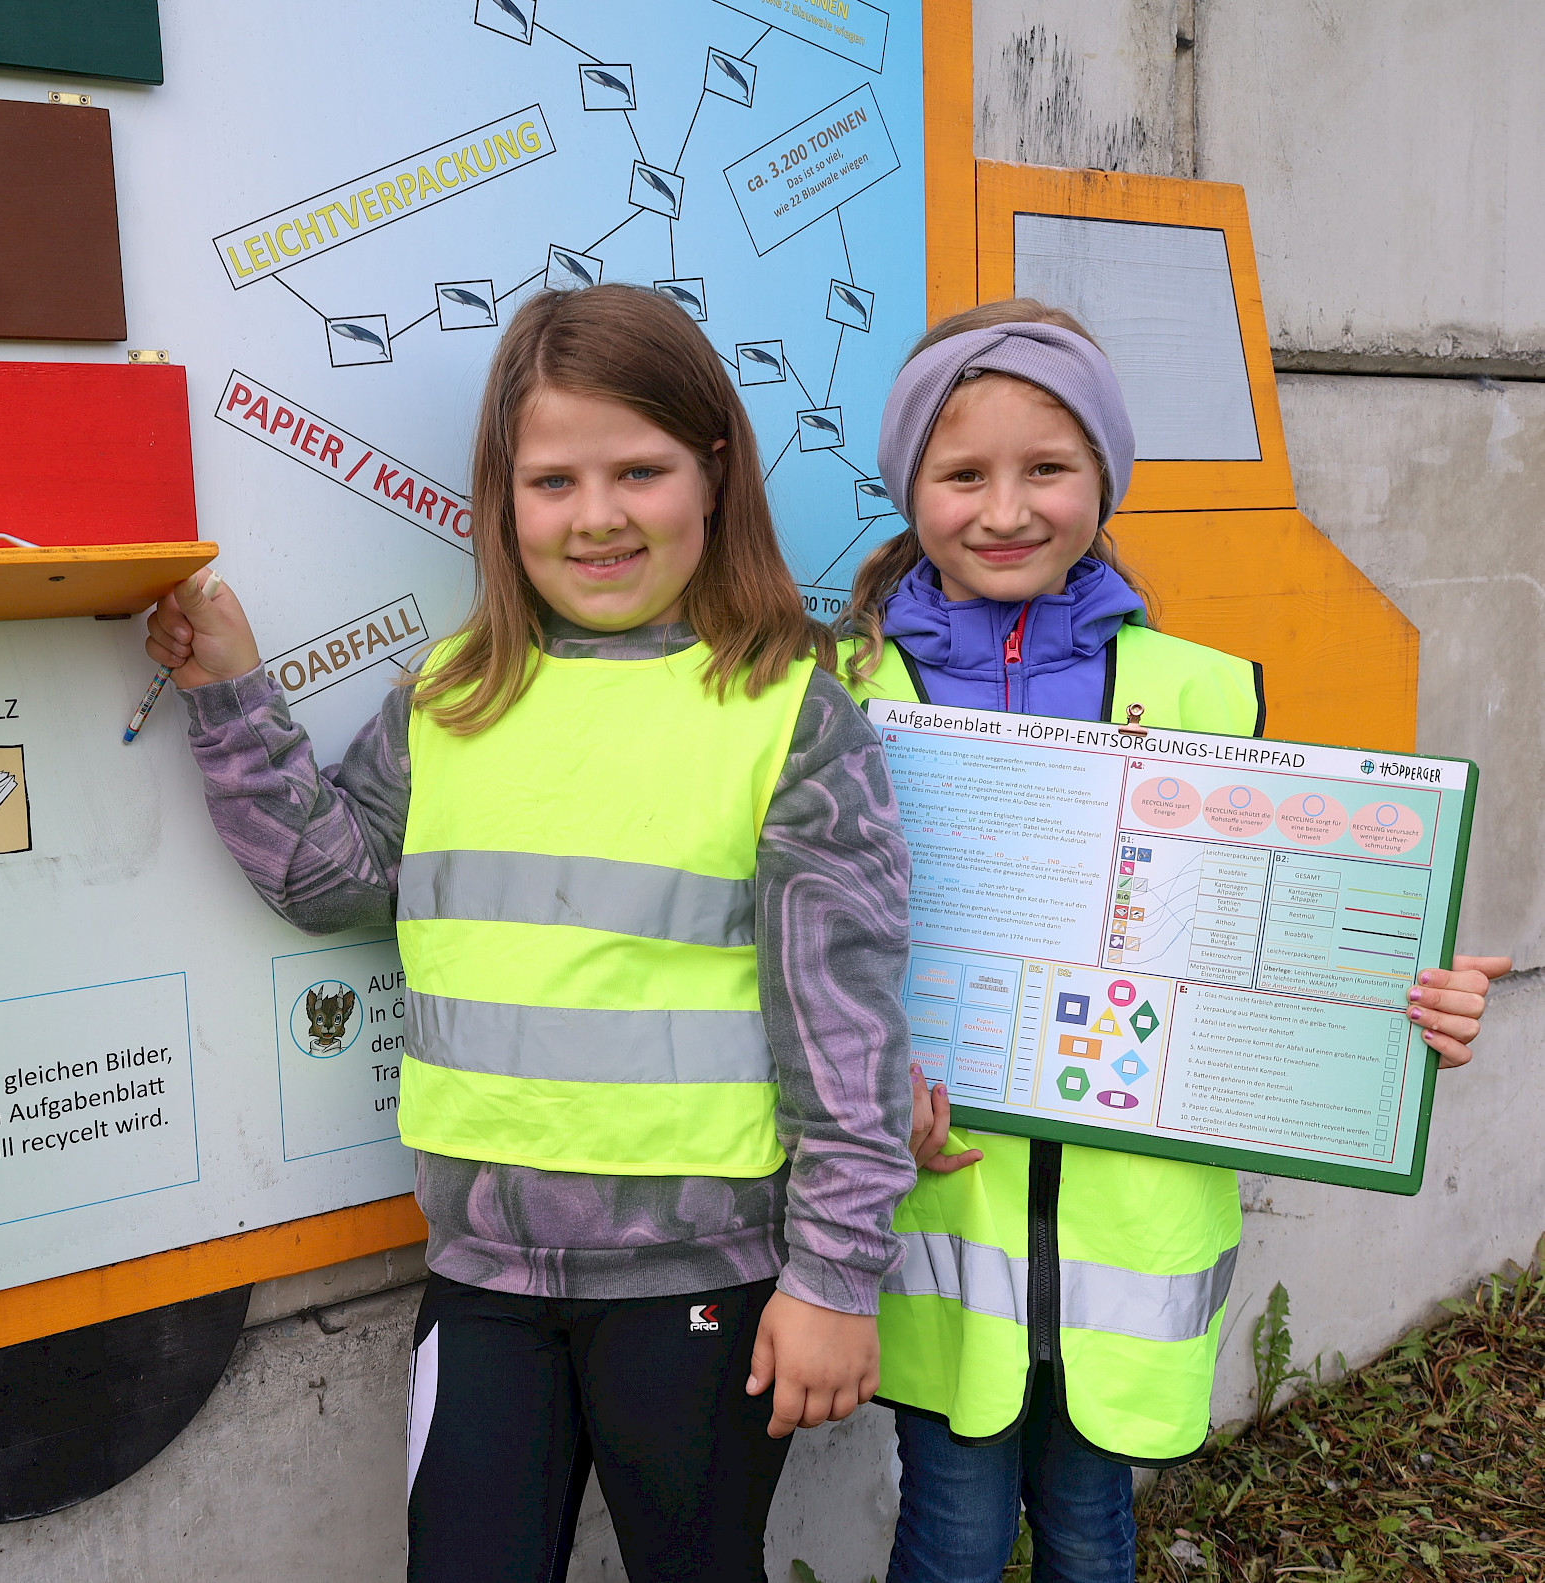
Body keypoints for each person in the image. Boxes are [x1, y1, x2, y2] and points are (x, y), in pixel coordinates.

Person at [144, 283, 918, 1582]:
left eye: (639, 470)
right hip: (482, 1280)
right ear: (504, 494)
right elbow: (330, 876)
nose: (598, 513)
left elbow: (848, 1027)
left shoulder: (791, 714)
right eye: (554, 479)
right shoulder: (448, 700)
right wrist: (229, 695)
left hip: (704, 1284)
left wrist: (837, 1277)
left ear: (714, 472)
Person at [838, 298, 1512, 1583]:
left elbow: (1275, 930)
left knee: (1094, 1533)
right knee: (950, 1534)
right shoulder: (839, 691)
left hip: (1125, 1245)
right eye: (960, 472)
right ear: (906, 485)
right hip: (935, 1216)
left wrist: (1403, 998)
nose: (1004, 507)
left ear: (1104, 476)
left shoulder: (1205, 686)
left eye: (1047, 467)